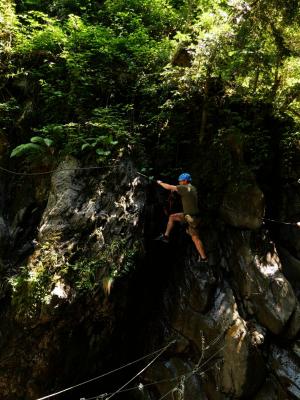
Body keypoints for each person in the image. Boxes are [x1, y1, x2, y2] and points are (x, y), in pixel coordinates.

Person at [155, 173, 208, 264]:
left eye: (180, 180)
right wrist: (175, 190)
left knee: (195, 238)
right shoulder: (192, 188)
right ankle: (166, 236)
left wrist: (160, 183)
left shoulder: (184, 188)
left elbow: (168, 187)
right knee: (172, 217)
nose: (179, 182)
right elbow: (181, 192)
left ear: (185, 181)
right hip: (189, 215)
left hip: (192, 218)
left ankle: (204, 258)